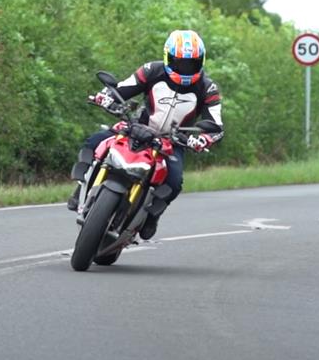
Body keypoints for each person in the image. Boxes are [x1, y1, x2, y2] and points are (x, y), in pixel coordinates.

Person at [67, 29, 224, 240]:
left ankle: (152, 217)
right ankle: (82, 186)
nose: (185, 68)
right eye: (179, 62)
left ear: (201, 61)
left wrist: (202, 138)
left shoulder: (208, 88)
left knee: (174, 181)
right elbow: (122, 88)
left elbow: (216, 125)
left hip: (172, 141)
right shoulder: (151, 70)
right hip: (136, 128)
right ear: (168, 56)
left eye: (191, 63)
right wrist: (106, 97)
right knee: (95, 141)